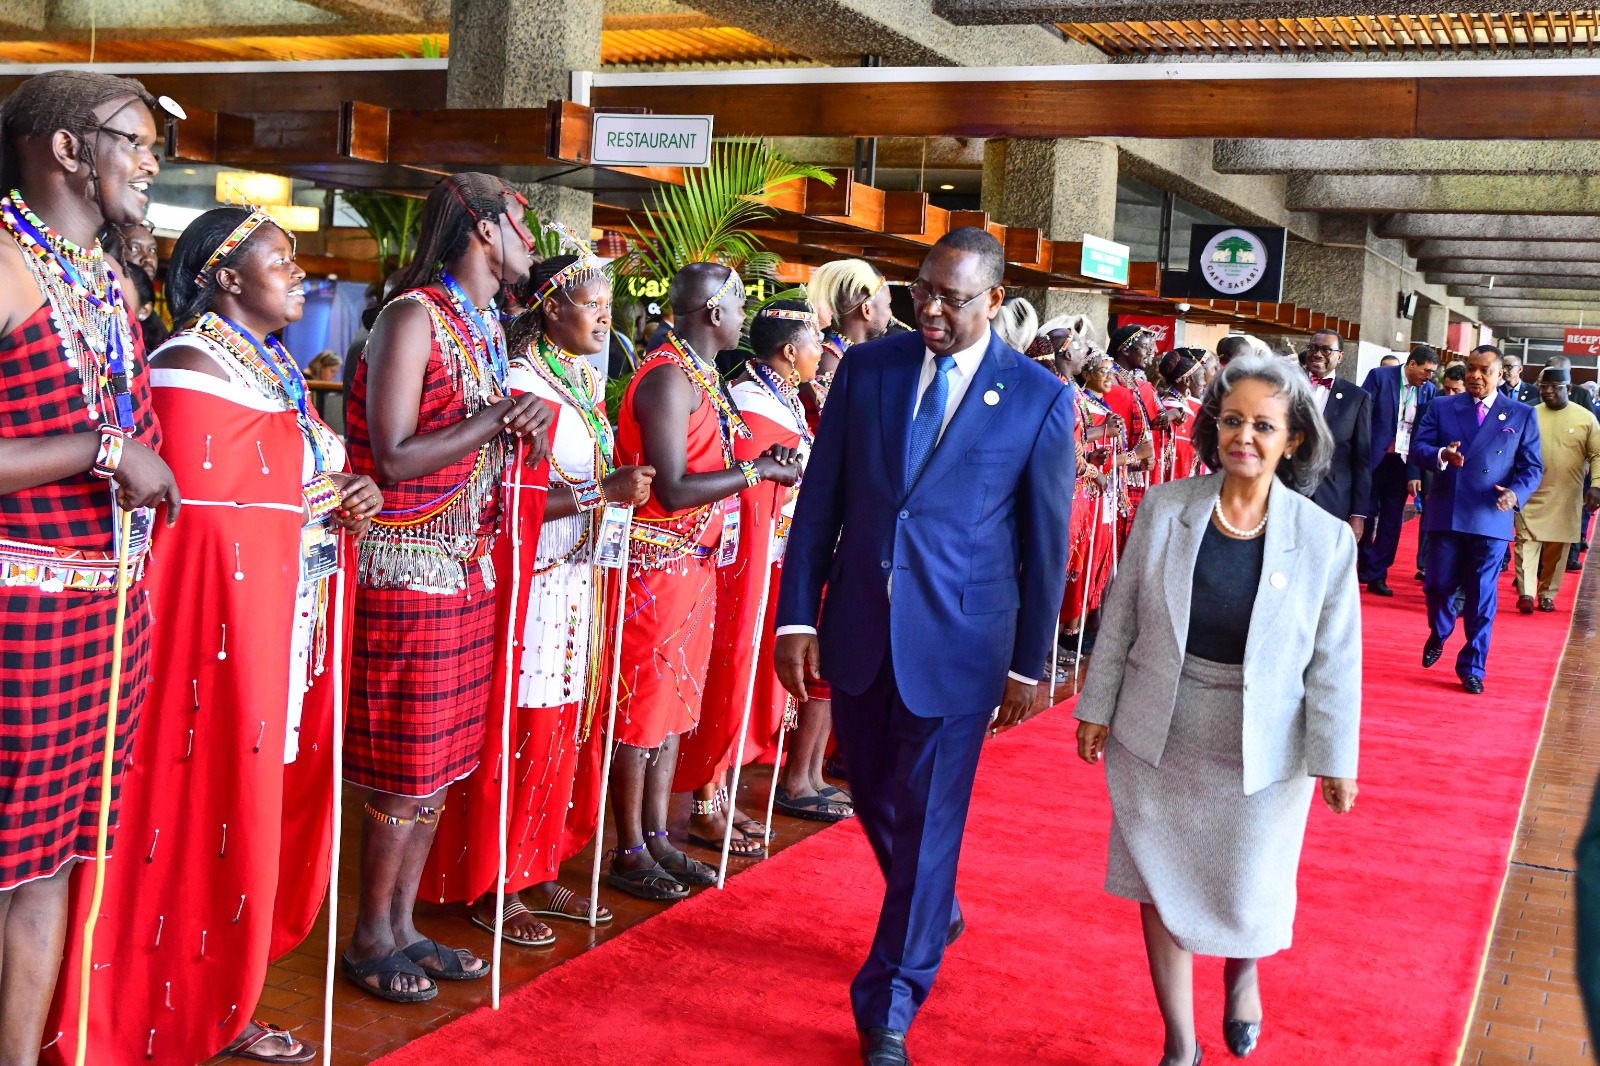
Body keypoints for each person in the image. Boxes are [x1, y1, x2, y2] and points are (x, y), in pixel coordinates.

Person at [50, 205, 383, 1065]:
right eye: (281, 259)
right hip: (203, 654)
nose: (300, 272)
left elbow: (288, 488)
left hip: (274, 635)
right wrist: (315, 498)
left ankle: (220, 1001)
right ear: (228, 278)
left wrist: (349, 495)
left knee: (244, 822)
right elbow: (195, 529)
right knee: (195, 821)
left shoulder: (270, 370)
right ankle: (162, 1011)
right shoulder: (188, 369)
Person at [773, 227, 1075, 1066]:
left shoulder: (1038, 397)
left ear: (995, 295)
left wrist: (1027, 661)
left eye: (953, 297)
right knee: (872, 792)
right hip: (860, 630)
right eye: (921, 292)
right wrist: (797, 615)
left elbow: (1045, 543)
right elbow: (821, 503)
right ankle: (930, 901)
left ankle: (891, 1000)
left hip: (963, 645)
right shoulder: (867, 372)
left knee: (934, 818)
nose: (932, 310)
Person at [1074, 353, 1361, 1066]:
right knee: (1157, 879)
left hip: (1264, 741)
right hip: (1159, 726)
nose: (1245, 437)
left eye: (1264, 426)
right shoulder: (1168, 509)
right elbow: (1123, 618)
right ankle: (1180, 1042)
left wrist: (1336, 758)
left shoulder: (1326, 540)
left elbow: (1334, 660)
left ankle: (1243, 970)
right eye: (1232, 421)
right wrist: (1096, 705)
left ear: (1292, 439)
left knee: (1248, 882)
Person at [0, 70, 182, 1064]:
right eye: (135, 139)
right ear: (68, 149)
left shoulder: (106, 280)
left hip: (104, 621)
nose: (151, 161)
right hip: (16, 617)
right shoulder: (2, 261)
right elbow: (98, 442)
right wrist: (101, 452)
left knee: (53, 863)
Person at [341, 173, 552, 1001]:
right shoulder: (412, 316)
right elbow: (391, 457)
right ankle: (367, 937)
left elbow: (483, 443)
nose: (532, 246)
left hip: (467, 563)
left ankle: (401, 927)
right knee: (408, 767)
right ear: (485, 230)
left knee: (440, 765)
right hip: (409, 564)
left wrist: (514, 425)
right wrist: (498, 419)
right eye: (524, 229)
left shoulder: (487, 326)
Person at [422, 248, 655, 944]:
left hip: (577, 580)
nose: (606, 319)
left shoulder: (579, 378)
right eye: (594, 305)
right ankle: (493, 883)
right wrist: (600, 493)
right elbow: (504, 495)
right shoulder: (524, 383)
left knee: (562, 725)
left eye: (610, 307)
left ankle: (535, 862)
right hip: (533, 587)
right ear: (551, 307)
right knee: (524, 728)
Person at [607, 262, 798, 900]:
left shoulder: (700, 376)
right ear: (714, 313)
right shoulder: (666, 376)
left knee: (673, 710)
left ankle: (660, 836)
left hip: (693, 564)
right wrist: (757, 473)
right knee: (642, 714)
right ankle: (630, 850)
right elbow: (673, 486)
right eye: (740, 306)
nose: (746, 320)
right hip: (656, 567)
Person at [678, 299, 851, 841]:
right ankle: (707, 802)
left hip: (774, 560)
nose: (821, 350)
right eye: (813, 341)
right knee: (729, 677)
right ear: (787, 351)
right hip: (744, 565)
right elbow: (765, 486)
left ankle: (720, 795)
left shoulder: (786, 397)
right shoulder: (753, 402)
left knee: (745, 681)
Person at [1411, 346, 1543, 695]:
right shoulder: (1442, 406)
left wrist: (1516, 493)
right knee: (1438, 586)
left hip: (1490, 515)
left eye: (1485, 370)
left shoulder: (1521, 414)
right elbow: (1418, 449)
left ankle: (1473, 667)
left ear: (1501, 375)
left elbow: (1532, 467)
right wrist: (1442, 454)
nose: (1475, 376)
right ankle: (1439, 633)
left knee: (1482, 598)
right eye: (1471, 368)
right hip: (1447, 513)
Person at [1514, 365, 1600, 613]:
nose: (1548, 391)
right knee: (1525, 543)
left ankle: (1547, 594)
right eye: (1544, 387)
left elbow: (1597, 453)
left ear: (1569, 389)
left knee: (1558, 548)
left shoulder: (1586, 418)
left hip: (1566, 495)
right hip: (1530, 492)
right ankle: (1527, 593)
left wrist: (1596, 485)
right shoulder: (1530, 413)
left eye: (1555, 387)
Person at [1358, 344, 1438, 596]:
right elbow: (1362, 415)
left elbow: (1423, 433)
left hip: (1403, 462)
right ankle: (1359, 566)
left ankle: (1377, 574)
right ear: (1412, 364)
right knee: (1365, 516)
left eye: (1432, 373)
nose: (1429, 377)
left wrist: (1415, 472)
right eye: (1426, 371)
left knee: (1392, 522)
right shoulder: (1380, 377)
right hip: (1374, 458)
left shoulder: (1429, 391)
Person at [1300, 329, 1372, 539]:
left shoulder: (1357, 398)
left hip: (1333, 496)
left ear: (1339, 356)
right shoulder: (1287, 387)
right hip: (1289, 490)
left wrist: (1358, 513)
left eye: (1326, 350)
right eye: (1313, 348)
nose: (1318, 354)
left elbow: (1362, 459)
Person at [809, 257, 892, 398]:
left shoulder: (844, 357)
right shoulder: (828, 365)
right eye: (888, 305)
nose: (890, 314)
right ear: (867, 310)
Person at [1153, 347, 1206, 482]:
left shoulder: (1162, 404)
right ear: (1187, 381)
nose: (1204, 383)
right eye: (1200, 378)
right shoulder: (1180, 413)